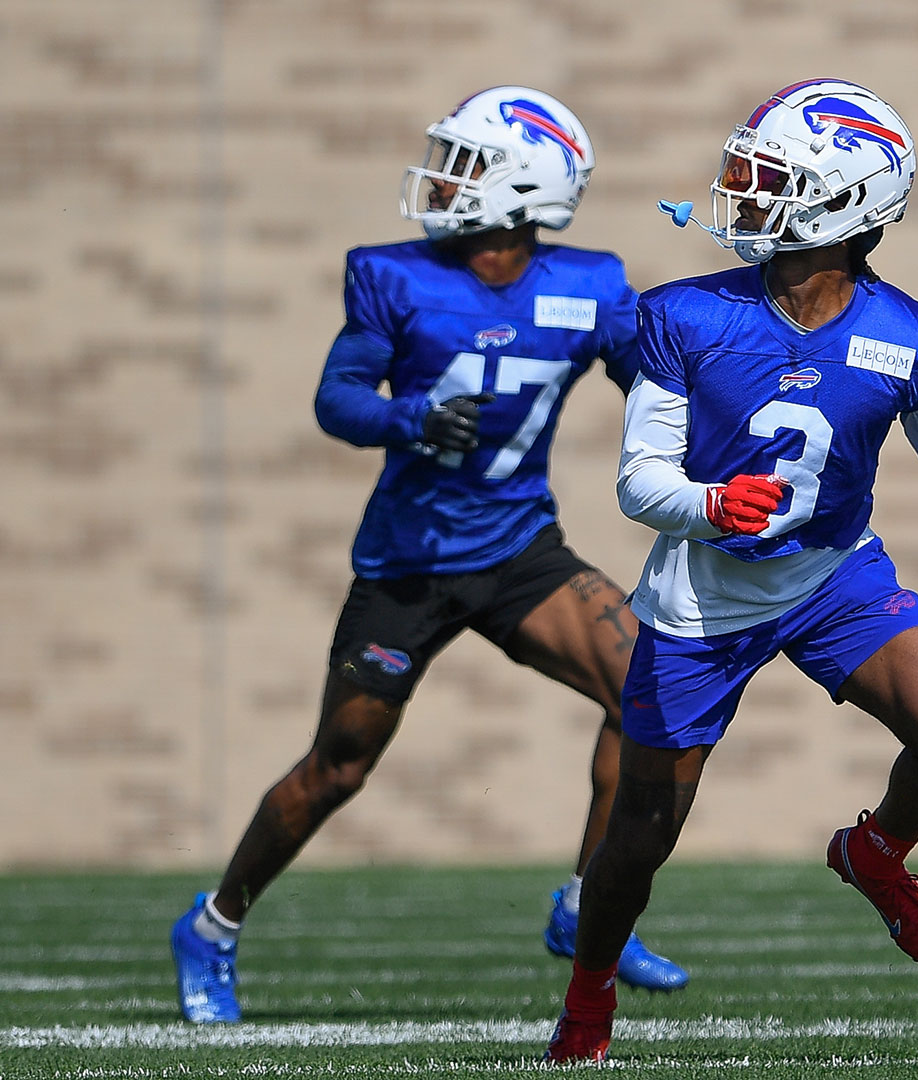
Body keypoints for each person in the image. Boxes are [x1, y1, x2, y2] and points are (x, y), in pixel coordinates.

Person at [168, 86, 690, 1026]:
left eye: (467, 162)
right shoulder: (394, 275)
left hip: (522, 548)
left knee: (650, 694)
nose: (443, 177)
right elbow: (337, 398)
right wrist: (406, 415)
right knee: (340, 766)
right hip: (408, 563)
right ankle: (212, 924)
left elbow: (655, 383)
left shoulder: (594, 283)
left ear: (525, 184)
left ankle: (584, 907)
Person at [542, 77, 918, 1063]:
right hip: (703, 596)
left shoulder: (911, 337)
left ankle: (875, 850)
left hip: (830, 576)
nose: (745, 191)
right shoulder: (688, 317)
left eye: (775, 178)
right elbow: (641, 483)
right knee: (640, 835)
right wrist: (713, 504)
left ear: (848, 206)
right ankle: (589, 995)